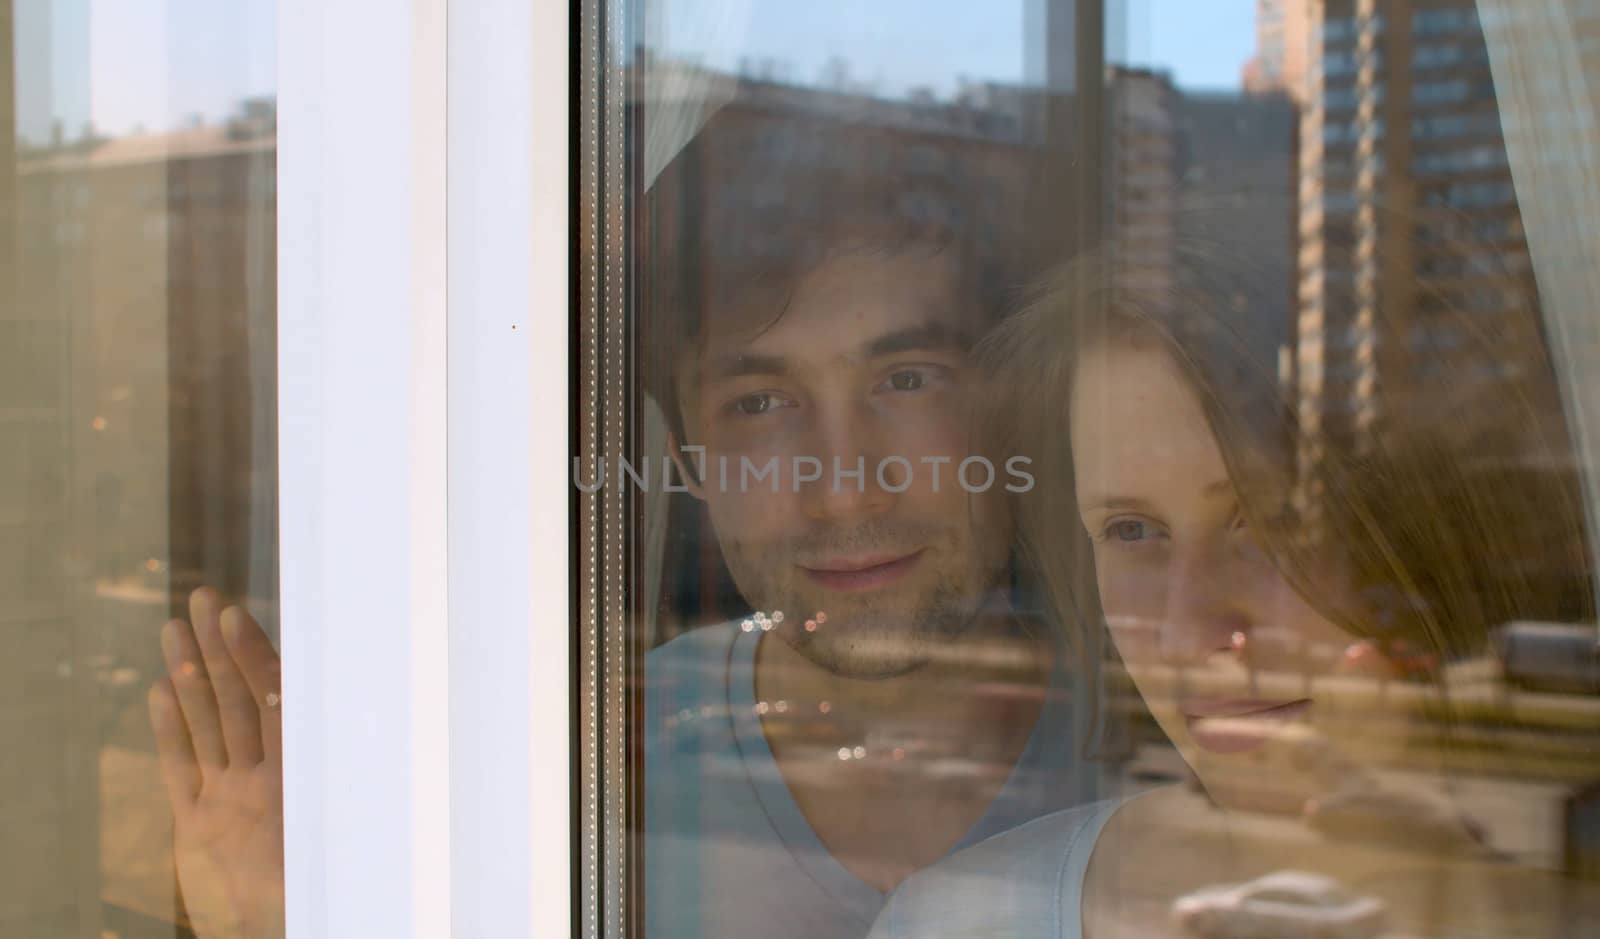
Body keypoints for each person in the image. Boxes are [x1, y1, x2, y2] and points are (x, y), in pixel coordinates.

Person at [148, 103, 1102, 939]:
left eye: (906, 380)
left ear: (1010, 412)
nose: (844, 488)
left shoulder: (1165, 742)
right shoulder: (580, 757)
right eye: (761, 403)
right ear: (686, 458)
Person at [865, 252, 1595, 937]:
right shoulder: (958, 920)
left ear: (1421, 535)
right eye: (1130, 529)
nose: (1188, 631)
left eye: (1273, 518)